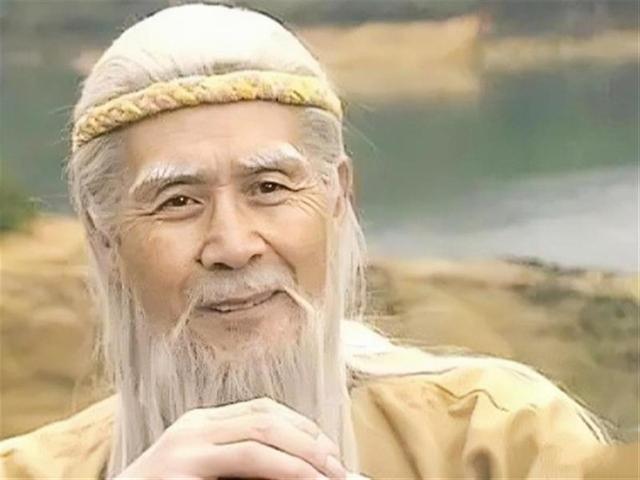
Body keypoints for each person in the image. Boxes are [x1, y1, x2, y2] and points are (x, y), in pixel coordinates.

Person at [0, 4, 619, 479]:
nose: (233, 245)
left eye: (269, 187)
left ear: (337, 198)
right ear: (105, 239)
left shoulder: (502, 440)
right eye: (178, 201)